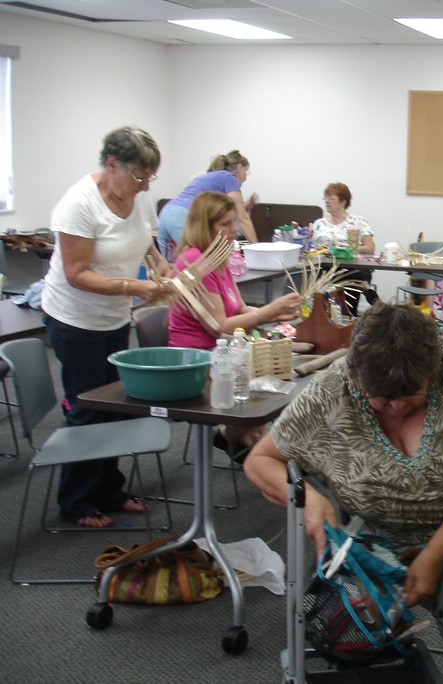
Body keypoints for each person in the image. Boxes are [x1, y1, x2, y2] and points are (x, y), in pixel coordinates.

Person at [244, 302, 443, 683]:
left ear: (433, 369)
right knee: (357, 631)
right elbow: (260, 460)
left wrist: (436, 555)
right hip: (374, 544)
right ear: (355, 375)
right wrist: (311, 499)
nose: (395, 407)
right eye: (380, 396)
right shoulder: (331, 391)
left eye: (411, 396)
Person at [42, 126, 170, 528]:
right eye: (138, 176)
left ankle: (109, 490)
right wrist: (135, 286)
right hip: (75, 321)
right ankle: (77, 502)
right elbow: (77, 273)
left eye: (149, 177)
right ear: (111, 164)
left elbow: (145, 240)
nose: (144, 185)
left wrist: (158, 261)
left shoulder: (136, 195)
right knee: (86, 409)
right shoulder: (77, 205)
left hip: (114, 318)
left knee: (118, 408)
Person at [167, 191, 301, 351]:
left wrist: (277, 313)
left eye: (234, 222)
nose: (234, 230)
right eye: (225, 224)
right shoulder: (195, 263)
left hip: (221, 350)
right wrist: (267, 312)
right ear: (204, 228)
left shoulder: (216, 258)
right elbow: (219, 326)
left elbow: (240, 309)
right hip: (197, 357)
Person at [157, 150, 258, 261]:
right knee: (198, 264)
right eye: (246, 171)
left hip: (166, 212)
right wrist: (259, 251)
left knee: (172, 266)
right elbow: (243, 218)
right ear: (239, 167)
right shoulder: (229, 177)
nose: (245, 177)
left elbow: (229, 212)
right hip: (184, 215)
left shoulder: (209, 176)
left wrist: (246, 207)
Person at [311, 182, 375, 314]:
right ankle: (366, 290)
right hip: (326, 268)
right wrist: (320, 249)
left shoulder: (358, 221)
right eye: (325, 198)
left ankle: (348, 318)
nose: (327, 201)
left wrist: (348, 248)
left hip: (351, 267)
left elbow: (370, 248)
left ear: (343, 201)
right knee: (318, 277)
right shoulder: (319, 224)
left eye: (331, 198)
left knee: (352, 276)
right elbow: (312, 251)